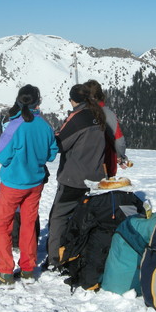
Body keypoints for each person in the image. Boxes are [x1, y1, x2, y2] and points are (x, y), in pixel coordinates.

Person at [0, 85, 58, 287]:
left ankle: (5, 271)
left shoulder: (14, 125)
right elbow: (51, 154)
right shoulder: (45, 125)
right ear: (38, 102)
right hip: (35, 182)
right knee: (29, 224)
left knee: (2, 225)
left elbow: (1, 155)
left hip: (13, 183)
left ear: (19, 100)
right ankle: (27, 269)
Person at [46, 83, 106, 270]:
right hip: (95, 177)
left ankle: (55, 259)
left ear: (73, 100)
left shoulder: (78, 118)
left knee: (58, 217)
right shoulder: (98, 115)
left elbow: (61, 145)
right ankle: (79, 253)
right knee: (83, 218)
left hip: (74, 177)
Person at [84, 79, 129, 176]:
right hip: (106, 165)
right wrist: (120, 156)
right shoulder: (109, 115)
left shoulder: (81, 114)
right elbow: (119, 139)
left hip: (83, 166)